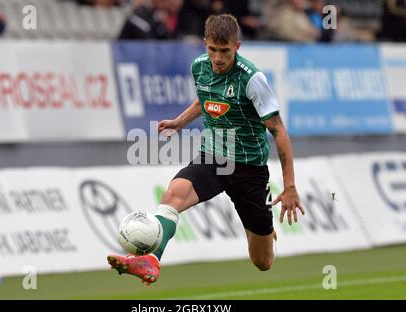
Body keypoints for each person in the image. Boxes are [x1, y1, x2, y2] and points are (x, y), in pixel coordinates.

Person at [108, 14, 305, 285]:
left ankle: (264, 224)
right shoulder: (199, 66)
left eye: (225, 51)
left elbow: (279, 131)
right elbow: (205, 99)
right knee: (173, 195)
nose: (218, 58)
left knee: (262, 262)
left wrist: (291, 186)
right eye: (213, 49)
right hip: (213, 156)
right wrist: (179, 122)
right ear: (205, 44)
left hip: (249, 169)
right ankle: (151, 261)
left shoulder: (252, 79)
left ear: (237, 46)